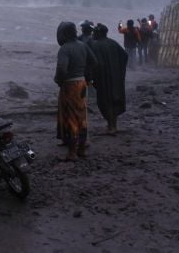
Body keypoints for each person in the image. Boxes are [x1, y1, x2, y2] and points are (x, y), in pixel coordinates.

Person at [54, 22, 97, 161]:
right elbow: (94, 61)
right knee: (81, 116)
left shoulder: (65, 49)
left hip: (70, 85)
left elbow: (61, 68)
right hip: (82, 83)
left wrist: (59, 80)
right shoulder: (82, 45)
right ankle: (82, 149)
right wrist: (84, 73)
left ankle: (72, 152)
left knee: (71, 117)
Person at [88, 24, 128, 134]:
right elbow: (124, 56)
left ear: (100, 33)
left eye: (95, 32)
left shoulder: (96, 46)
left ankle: (111, 127)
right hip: (115, 78)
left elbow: (95, 64)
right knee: (113, 100)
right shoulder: (113, 43)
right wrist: (119, 71)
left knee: (105, 102)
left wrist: (93, 77)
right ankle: (113, 125)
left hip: (103, 79)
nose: (93, 34)